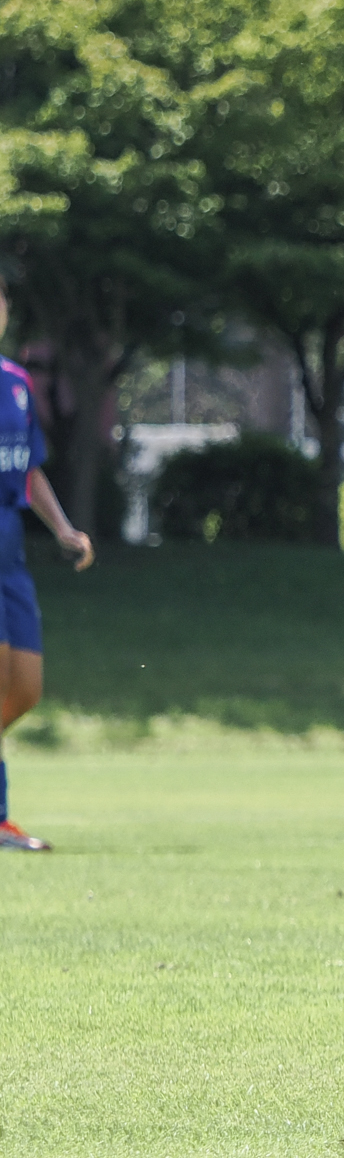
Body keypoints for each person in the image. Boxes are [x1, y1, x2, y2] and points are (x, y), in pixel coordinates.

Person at [0, 276, 97, 853]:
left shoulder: (15, 382)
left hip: (10, 552)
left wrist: (62, 528)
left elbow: (28, 468)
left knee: (25, 690)